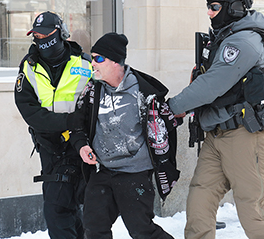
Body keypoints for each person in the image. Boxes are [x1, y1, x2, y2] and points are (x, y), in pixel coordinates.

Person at [167, 0, 264, 239]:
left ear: (236, 6)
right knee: (199, 204)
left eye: (214, 6)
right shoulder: (225, 37)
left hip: (245, 135)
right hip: (216, 135)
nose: (209, 12)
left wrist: (173, 106)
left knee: (252, 209)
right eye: (208, 6)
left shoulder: (244, 42)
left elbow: (211, 86)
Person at [69, 32, 182, 239]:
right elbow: (77, 125)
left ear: (115, 62)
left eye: (98, 58)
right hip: (103, 171)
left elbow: (166, 123)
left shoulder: (143, 93)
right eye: (91, 57)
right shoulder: (93, 90)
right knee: (93, 228)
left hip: (135, 174)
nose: (92, 63)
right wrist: (82, 146)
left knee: (141, 230)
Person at [14, 11, 92, 239]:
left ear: (60, 33)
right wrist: (67, 121)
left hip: (81, 143)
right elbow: (29, 110)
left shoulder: (85, 64)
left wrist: (80, 127)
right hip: (50, 145)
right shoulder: (28, 67)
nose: (40, 39)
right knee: (60, 206)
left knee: (71, 204)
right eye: (36, 35)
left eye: (45, 34)